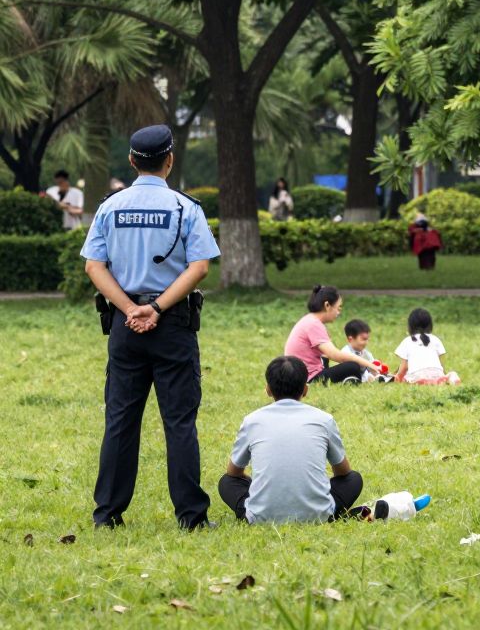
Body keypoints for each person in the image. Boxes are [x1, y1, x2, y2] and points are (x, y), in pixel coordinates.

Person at [81, 124, 220, 530]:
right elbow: (200, 267)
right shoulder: (185, 208)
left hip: (125, 328)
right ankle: (191, 518)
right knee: (179, 421)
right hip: (173, 324)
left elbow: (94, 265)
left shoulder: (110, 207)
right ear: (170, 160)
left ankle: (107, 514)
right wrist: (156, 307)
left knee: (120, 420)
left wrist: (128, 308)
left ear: (130, 161)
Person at [218, 356, 394, 523]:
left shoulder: (252, 421)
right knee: (354, 479)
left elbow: (233, 473)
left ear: (268, 390)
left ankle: (257, 509)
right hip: (320, 514)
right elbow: (343, 472)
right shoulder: (324, 419)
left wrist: (256, 485)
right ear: (305, 389)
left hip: (260, 517)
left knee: (226, 482)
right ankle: (323, 509)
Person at [284, 285, 385, 385]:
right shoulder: (314, 324)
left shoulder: (310, 320)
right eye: (338, 308)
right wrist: (369, 364)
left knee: (343, 365)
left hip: (302, 375)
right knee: (353, 366)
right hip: (308, 378)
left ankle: (350, 379)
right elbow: (336, 355)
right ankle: (353, 380)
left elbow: (327, 355)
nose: (339, 312)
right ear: (327, 305)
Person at [394, 307, 460, 385]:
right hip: (437, 374)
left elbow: (404, 367)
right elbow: (440, 364)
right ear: (430, 325)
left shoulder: (407, 341)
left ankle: (423, 381)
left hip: (416, 376)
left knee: (406, 377)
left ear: (410, 326)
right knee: (452, 373)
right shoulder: (435, 339)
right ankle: (450, 380)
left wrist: (397, 377)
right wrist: (442, 374)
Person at [340, 319, 392, 383]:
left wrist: (378, 369)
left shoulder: (366, 353)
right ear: (350, 339)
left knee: (372, 373)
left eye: (367, 339)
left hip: (365, 375)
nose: (366, 342)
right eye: (363, 339)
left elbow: (372, 366)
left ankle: (381, 378)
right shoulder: (345, 351)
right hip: (350, 375)